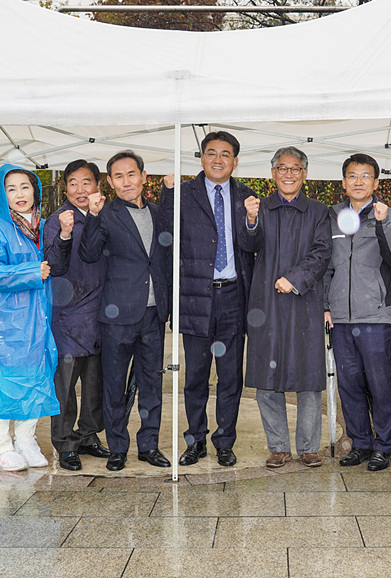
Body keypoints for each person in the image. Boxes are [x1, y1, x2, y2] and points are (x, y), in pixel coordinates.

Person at [161, 131, 256, 468]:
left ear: (235, 160)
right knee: (196, 376)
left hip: (233, 296)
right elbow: (165, 235)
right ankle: (195, 440)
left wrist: (252, 220)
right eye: (212, 153)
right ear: (201, 157)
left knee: (231, 376)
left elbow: (251, 244)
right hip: (196, 295)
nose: (218, 160)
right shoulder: (183, 194)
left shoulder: (247, 196)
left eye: (226, 154)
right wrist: (165, 193)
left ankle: (225, 441)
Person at [79, 150, 172, 471]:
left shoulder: (161, 213)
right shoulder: (105, 214)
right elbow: (90, 253)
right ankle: (118, 446)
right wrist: (91, 216)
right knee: (114, 385)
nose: (126, 181)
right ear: (110, 182)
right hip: (117, 315)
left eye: (131, 174)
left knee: (151, 384)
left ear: (144, 177)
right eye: (118, 176)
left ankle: (149, 445)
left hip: (153, 314)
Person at [238, 146, 331, 469]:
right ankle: (277, 446)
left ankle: (309, 446)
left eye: (295, 169)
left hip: (304, 301)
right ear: (273, 173)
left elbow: (322, 253)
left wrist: (295, 278)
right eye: (282, 168)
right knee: (267, 376)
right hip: (266, 302)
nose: (288, 174)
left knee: (308, 376)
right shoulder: (259, 207)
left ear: (305, 174)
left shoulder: (319, 211)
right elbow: (247, 245)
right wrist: (250, 220)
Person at [0, 164, 71, 471]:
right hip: (4, 323)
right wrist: (31, 272)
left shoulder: (44, 227)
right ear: (3, 195)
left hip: (38, 318)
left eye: (25, 187)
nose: (19, 194)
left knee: (37, 379)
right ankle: (0, 446)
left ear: (36, 190)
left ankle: (26, 439)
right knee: (0, 384)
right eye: (11, 188)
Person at [323, 153, 391, 472]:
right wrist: (326, 306)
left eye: (365, 176)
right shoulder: (331, 216)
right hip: (341, 318)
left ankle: (384, 445)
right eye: (352, 176)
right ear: (344, 182)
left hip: (375, 316)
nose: (358, 181)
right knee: (349, 383)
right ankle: (360, 442)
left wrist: (384, 221)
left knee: (379, 383)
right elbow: (326, 266)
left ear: (376, 182)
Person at [46, 159, 111, 471]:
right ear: (65, 187)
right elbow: (54, 265)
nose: (80, 189)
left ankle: (88, 435)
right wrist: (65, 234)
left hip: (101, 312)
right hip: (68, 315)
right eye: (73, 183)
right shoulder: (57, 220)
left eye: (86, 182)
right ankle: (65, 442)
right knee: (66, 385)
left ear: (98, 185)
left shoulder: (105, 216)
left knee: (94, 381)